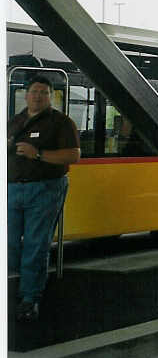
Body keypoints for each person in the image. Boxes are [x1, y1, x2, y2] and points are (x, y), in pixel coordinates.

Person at [7, 75, 80, 322]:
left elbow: (73, 155)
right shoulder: (15, 121)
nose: (38, 96)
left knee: (36, 245)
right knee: (9, 244)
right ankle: (17, 286)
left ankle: (29, 299)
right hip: (12, 189)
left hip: (45, 189)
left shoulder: (61, 122)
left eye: (44, 92)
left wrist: (37, 154)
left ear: (51, 96)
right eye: (34, 91)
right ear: (25, 95)